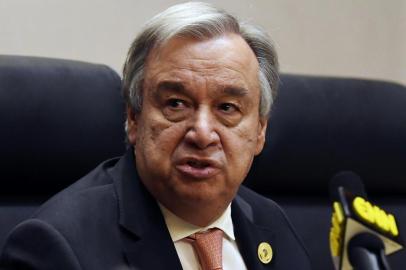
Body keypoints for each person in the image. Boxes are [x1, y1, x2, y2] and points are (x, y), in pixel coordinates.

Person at [0, 2, 312, 269]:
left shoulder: (271, 222)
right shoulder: (59, 246)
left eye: (227, 108)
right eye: (176, 104)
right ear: (133, 117)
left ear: (260, 130)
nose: (202, 133)